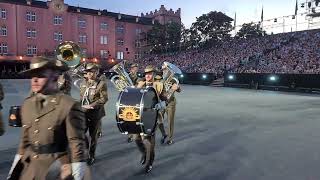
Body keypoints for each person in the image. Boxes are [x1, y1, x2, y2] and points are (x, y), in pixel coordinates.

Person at [7, 56, 89, 180]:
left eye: (40, 75)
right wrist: (14, 168)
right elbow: (24, 142)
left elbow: (76, 142)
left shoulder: (68, 105)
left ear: (54, 77)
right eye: (32, 76)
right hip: (30, 165)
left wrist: (77, 174)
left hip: (56, 166)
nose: (34, 79)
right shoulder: (27, 104)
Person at [135, 65, 168, 173]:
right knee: (137, 139)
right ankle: (144, 153)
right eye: (146, 74)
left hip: (152, 117)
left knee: (149, 142)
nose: (147, 75)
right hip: (139, 116)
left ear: (154, 74)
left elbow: (165, 100)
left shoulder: (159, 85)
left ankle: (149, 163)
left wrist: (160, 105)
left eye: (149, 73)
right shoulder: (140, 84)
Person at [80, 63, 108, 165]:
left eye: (92, 72)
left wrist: (92, 105)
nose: (89, 74)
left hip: (95, 114)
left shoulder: (101, 84)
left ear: (96, 72)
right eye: (88, 72)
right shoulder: (83, 83)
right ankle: (86, 149)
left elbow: (104, 98)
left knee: (93, 136)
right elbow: (82, 98)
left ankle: (91, 155)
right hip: (84, 113)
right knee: (81, 133)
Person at [161, 63, 181, 145]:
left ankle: (170, 138)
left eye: (166, 69)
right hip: (161, 103)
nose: (165, 71)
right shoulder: (160, 79)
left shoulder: (173, 80)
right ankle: (163, 135)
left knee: (170, 122)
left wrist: (178, 87)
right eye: (164, 70)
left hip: (170, 103)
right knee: (159, 121)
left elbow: (179, 90)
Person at [127, 63, 139, 143]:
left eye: (136, 68)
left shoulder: (138, 78)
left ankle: (133, 135)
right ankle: (129, 135)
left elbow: (139, 86)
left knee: (134, 117)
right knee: (127, 117)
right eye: (134, 68)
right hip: (126, 98)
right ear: (131, 69)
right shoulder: (126, 77)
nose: (135, 70)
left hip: (134, 99)